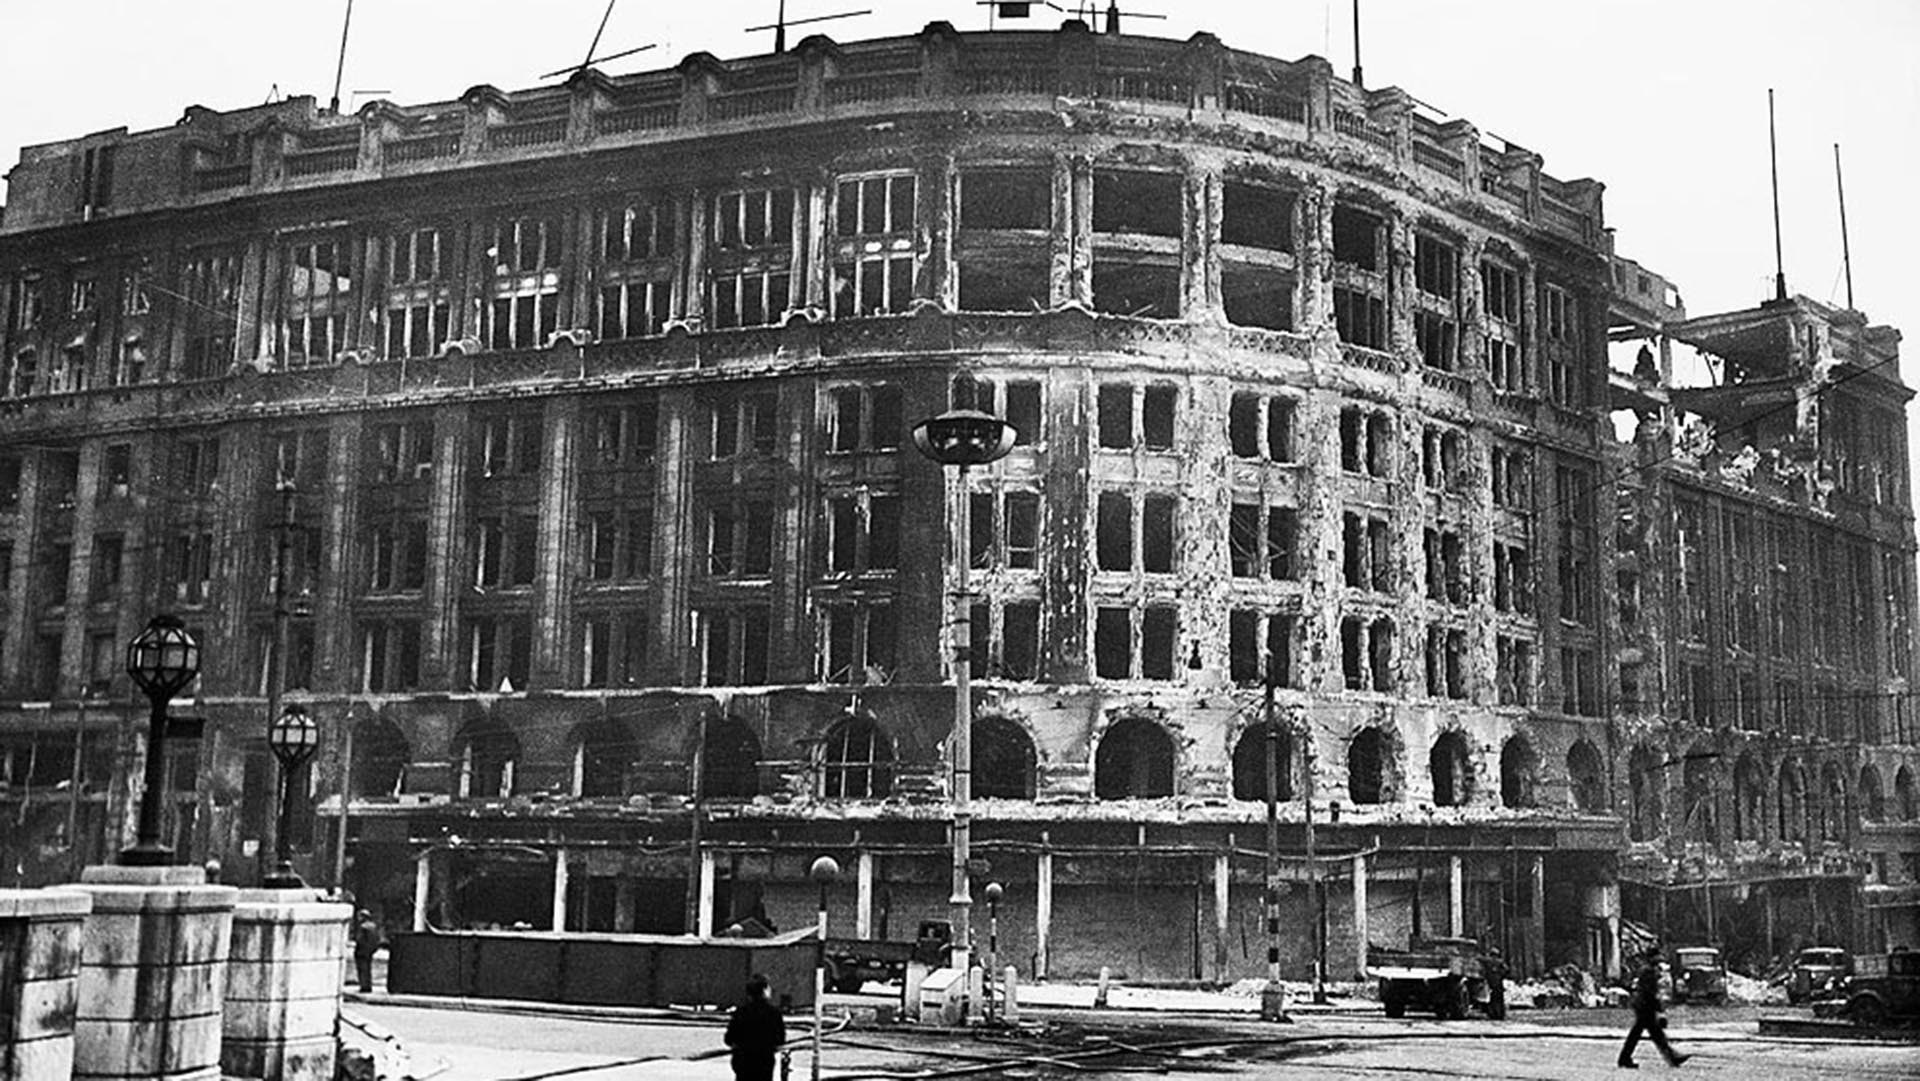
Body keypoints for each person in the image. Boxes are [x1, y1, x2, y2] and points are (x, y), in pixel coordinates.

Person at [1618, 949, 1690, 1069]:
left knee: (1644, 1034)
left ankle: (1625, 1058)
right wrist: (1659, 1009)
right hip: (1645, 1006)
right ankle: (1672, 1057)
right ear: (1651, 958)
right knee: (1653, 1034)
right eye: (1657, 957)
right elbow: (1650, 992)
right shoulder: (1649, 971)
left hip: (1643, 1005)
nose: (1659, 959)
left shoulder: (1648, 970)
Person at [724, 974, 786, 1081]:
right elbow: (780, 1039)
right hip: (764, 1062)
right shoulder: (774, 1014)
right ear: (765, 990)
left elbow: (729, 1039)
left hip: (743, 1062)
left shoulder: (740, 1013)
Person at [351, 909, 382, 994]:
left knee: (362, 969)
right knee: (368, 969)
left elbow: (359, 939)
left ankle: (364, 986)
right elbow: (377, 939)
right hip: (369, 951)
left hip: (361, 951)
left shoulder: (363, 927)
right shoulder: (373, 926)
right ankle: (368, 985)